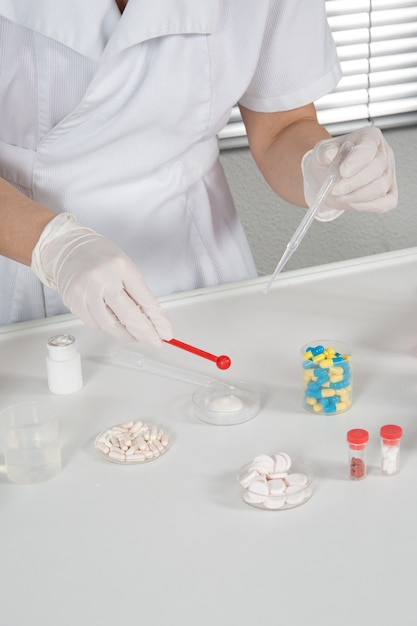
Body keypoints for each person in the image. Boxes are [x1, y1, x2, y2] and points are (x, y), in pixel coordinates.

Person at [0, 0, 397, 348]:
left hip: (195, 263)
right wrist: (54, 247)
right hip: (21, 259)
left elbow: (282, 127)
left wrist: (323, 170)